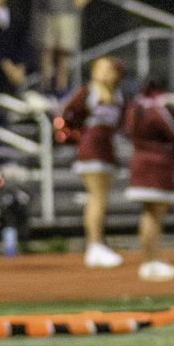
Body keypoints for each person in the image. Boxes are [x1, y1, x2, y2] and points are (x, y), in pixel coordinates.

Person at [124, 74, 174, 282]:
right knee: (156, 215)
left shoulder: (133, 108)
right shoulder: (157, 108)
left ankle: (150, 260)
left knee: (148, 214)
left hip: (138, 161)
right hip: (158, 165)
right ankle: (152, 260)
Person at [59, 56, 125, 268]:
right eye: (100, 69)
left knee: (101, 198)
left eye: (109, 69)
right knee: (96, 197)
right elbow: (66, 113)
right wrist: (78, 136)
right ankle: (94, 245)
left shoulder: (118, 93)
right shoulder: (89, 91)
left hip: (107, 148)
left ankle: (97, 243)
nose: (104, 74)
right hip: (92, 148)